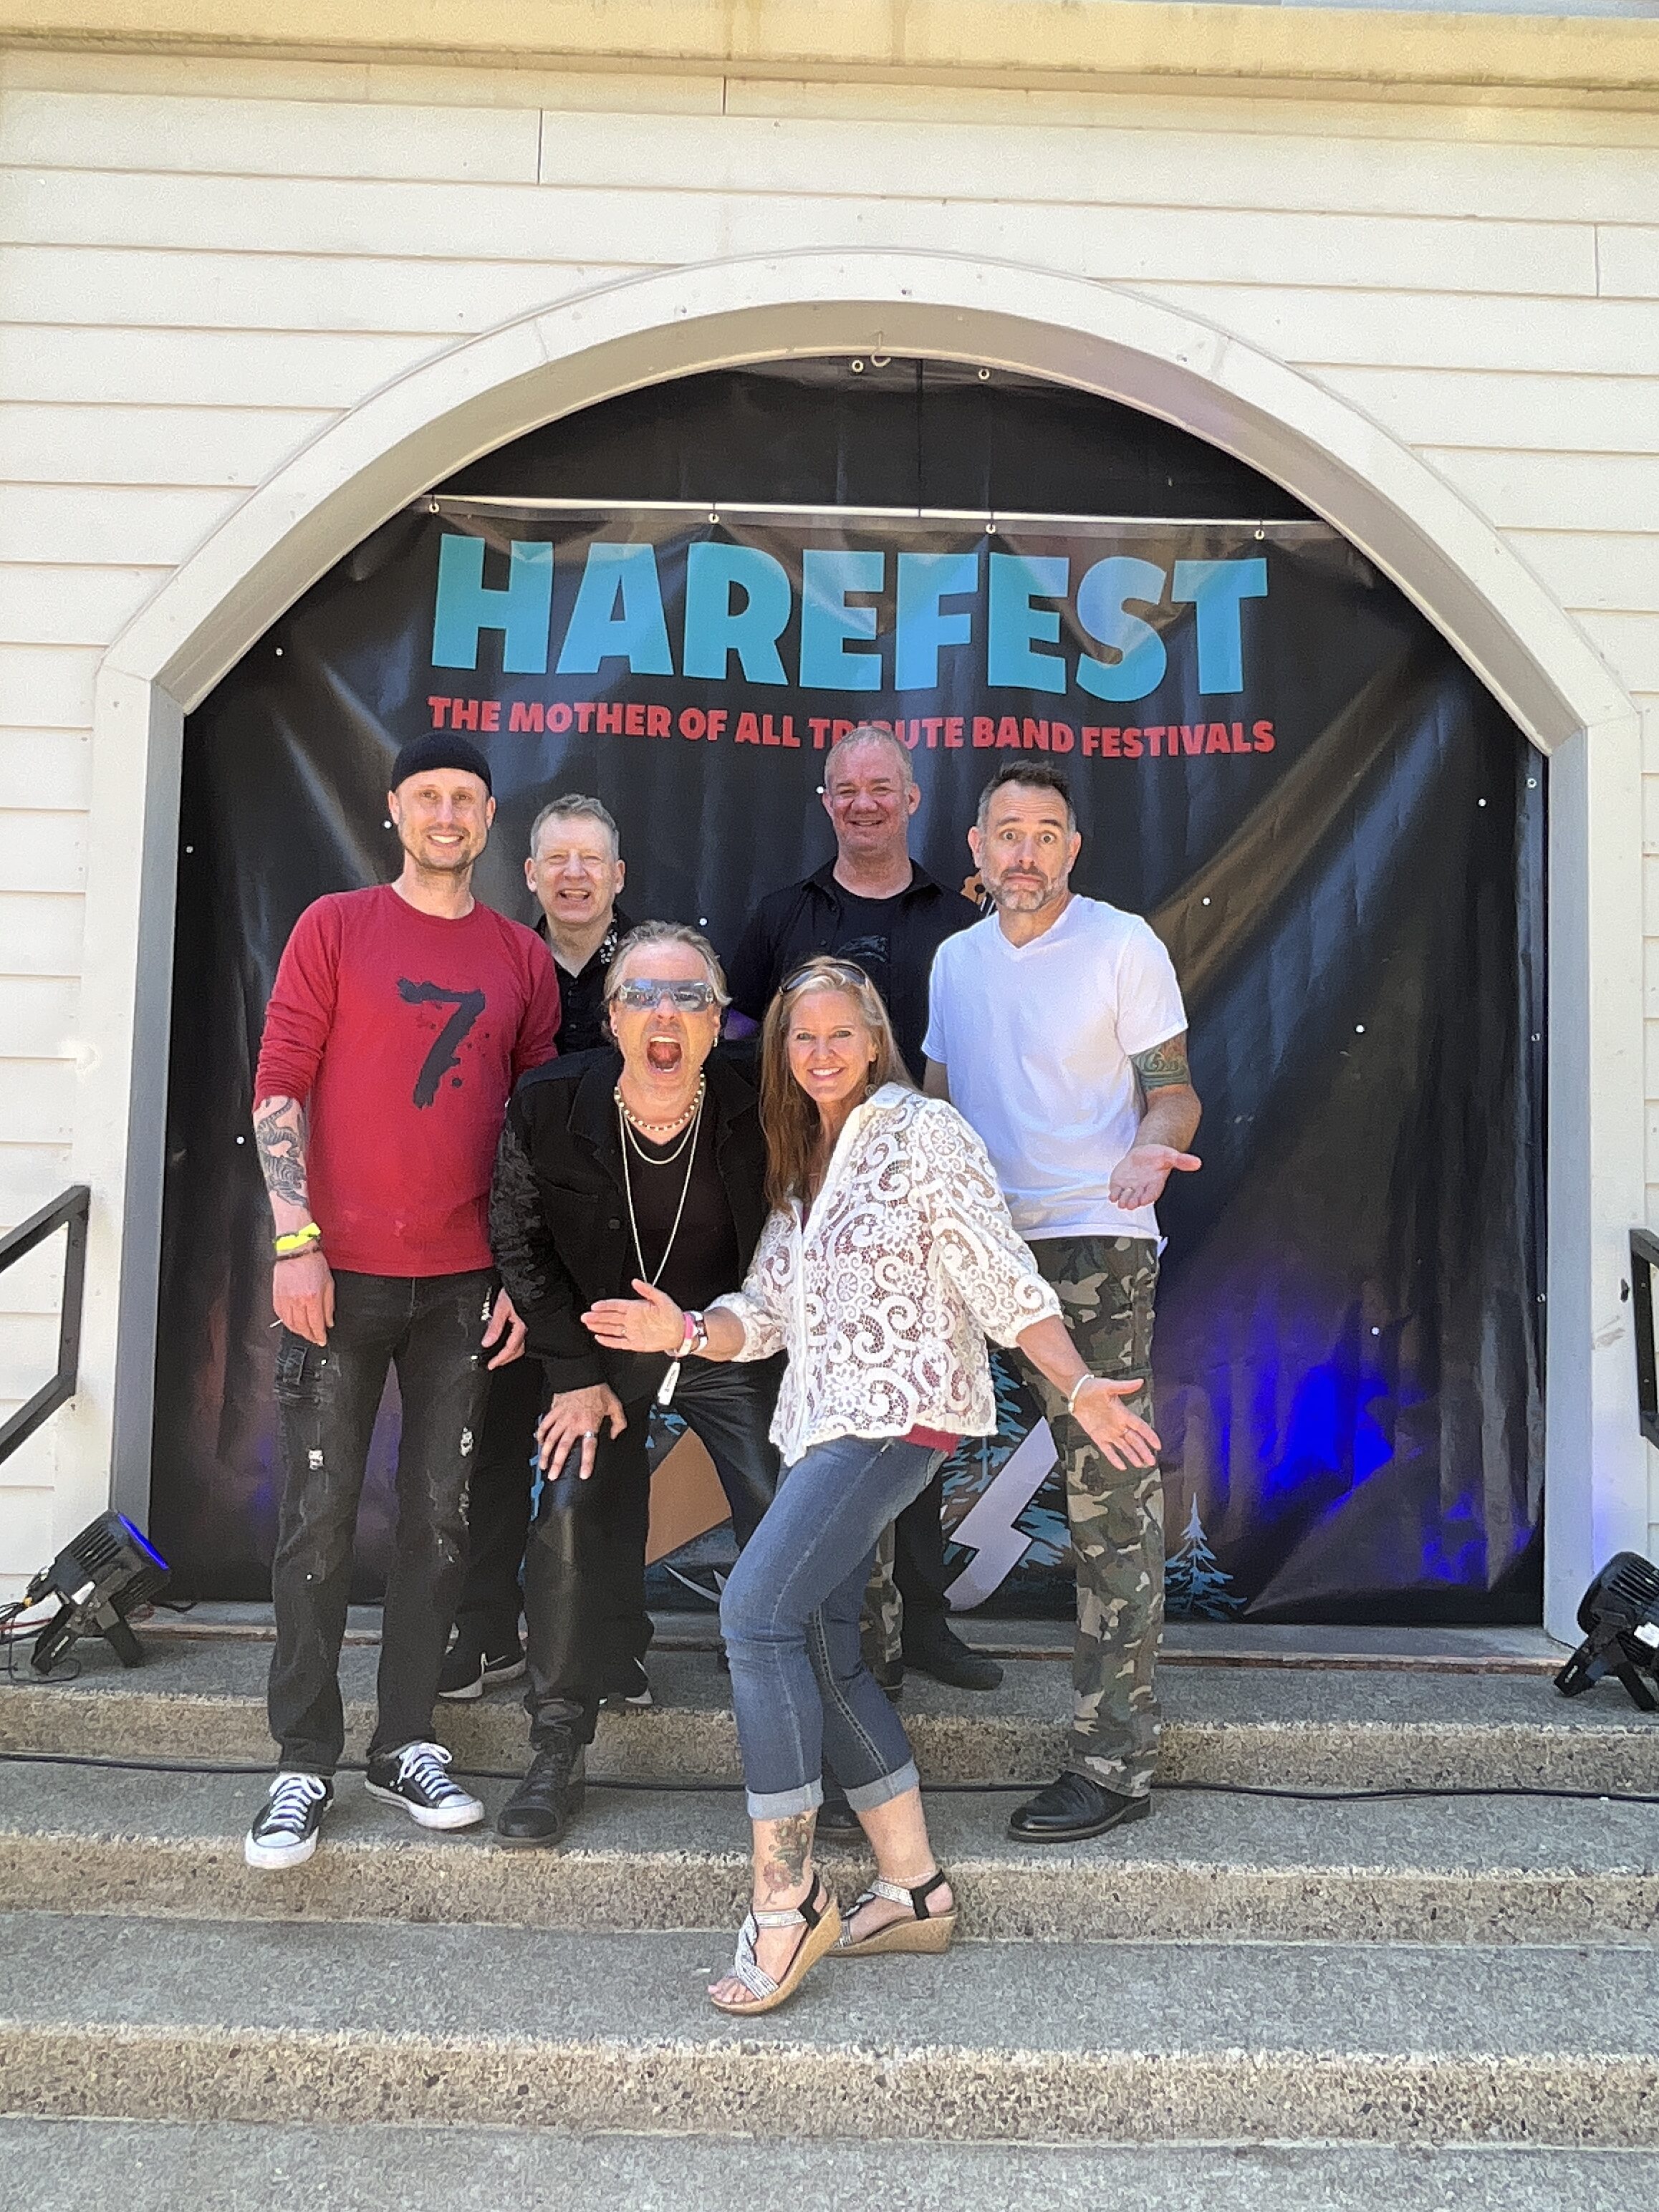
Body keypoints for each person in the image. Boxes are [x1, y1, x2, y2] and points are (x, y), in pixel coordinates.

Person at [585, 956, 1160, 2016]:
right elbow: (763, 1312)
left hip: (898, 1418)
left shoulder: (922, 1131)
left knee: (754, 1613)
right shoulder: (806, 1159)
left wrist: (1077, 1384)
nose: (820, 1053)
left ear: (875, 1038)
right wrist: (687, 1331)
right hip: (821, 1427)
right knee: (818, 1640)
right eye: (802, 1038)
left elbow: (999, 1272)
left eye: (839, 1034)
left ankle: (786, 1900)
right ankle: (914, 1886)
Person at [244, 730, 562, 1871]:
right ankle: (302, 1759)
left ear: (488, 818)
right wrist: (296, 1241)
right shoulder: (336, 927)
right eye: (428, 795)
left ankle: (407, 1739)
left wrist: (521, 1275)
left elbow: (532, 1132)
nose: (446, 814)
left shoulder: (520, 958)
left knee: (439, 1520)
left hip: (463, 1283)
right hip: (339, 1274)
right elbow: (280, 1081)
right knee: (319, 1517)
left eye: (465, 797)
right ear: (394, 809)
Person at [924, 760, 1202, 1844]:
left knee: (1109, 1502)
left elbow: (1174, 1092)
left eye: (1047, 832)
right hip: (971, 1245)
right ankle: (865, 1731)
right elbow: (939, 1104)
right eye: (1009, 832)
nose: (1026, 851)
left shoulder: (1123, 944)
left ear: (1072, 849)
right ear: (978, 848)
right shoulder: (956, 960)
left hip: (1095, 1240)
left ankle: (1113, 1761)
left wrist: (1149, 1148)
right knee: (892, 1465)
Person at [487, 923, 783, 1848]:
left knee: (788, 1513)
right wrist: (573, 1376)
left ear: (719, 1021)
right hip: (603, 1349)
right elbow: (519, 1240)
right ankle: (557, 1743)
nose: (666, 1014)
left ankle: (820, 1747)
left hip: (727, 1342)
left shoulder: (763, 1100)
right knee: (570, 1502)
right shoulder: (548, 1102)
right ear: (611, 1018)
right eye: (643, 996)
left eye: (689, 997)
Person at [727, 723, 994, 1705]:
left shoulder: (960, 918)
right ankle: (843, 1642)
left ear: (912, 799)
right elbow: (741, 1033)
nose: (865, 804)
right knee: (837, 1436)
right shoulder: (781, 915)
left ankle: (926, 1621)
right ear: (826, 801)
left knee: (915, 1423)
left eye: (882, 788)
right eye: (847, 790)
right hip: (819, 1202)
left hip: (926, 1203)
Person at [438, 794, 638, 1704]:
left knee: (614, 1452)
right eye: (556, 858)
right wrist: (511, 1265)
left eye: (591, 858)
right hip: (510, 1258)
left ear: (618, 875)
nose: (574, 874)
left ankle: (614, 1640)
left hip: (625, 1257)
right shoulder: (499, 964)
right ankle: (486, 1629)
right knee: (493, 1443)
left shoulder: (653, 970)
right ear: (528, 874)